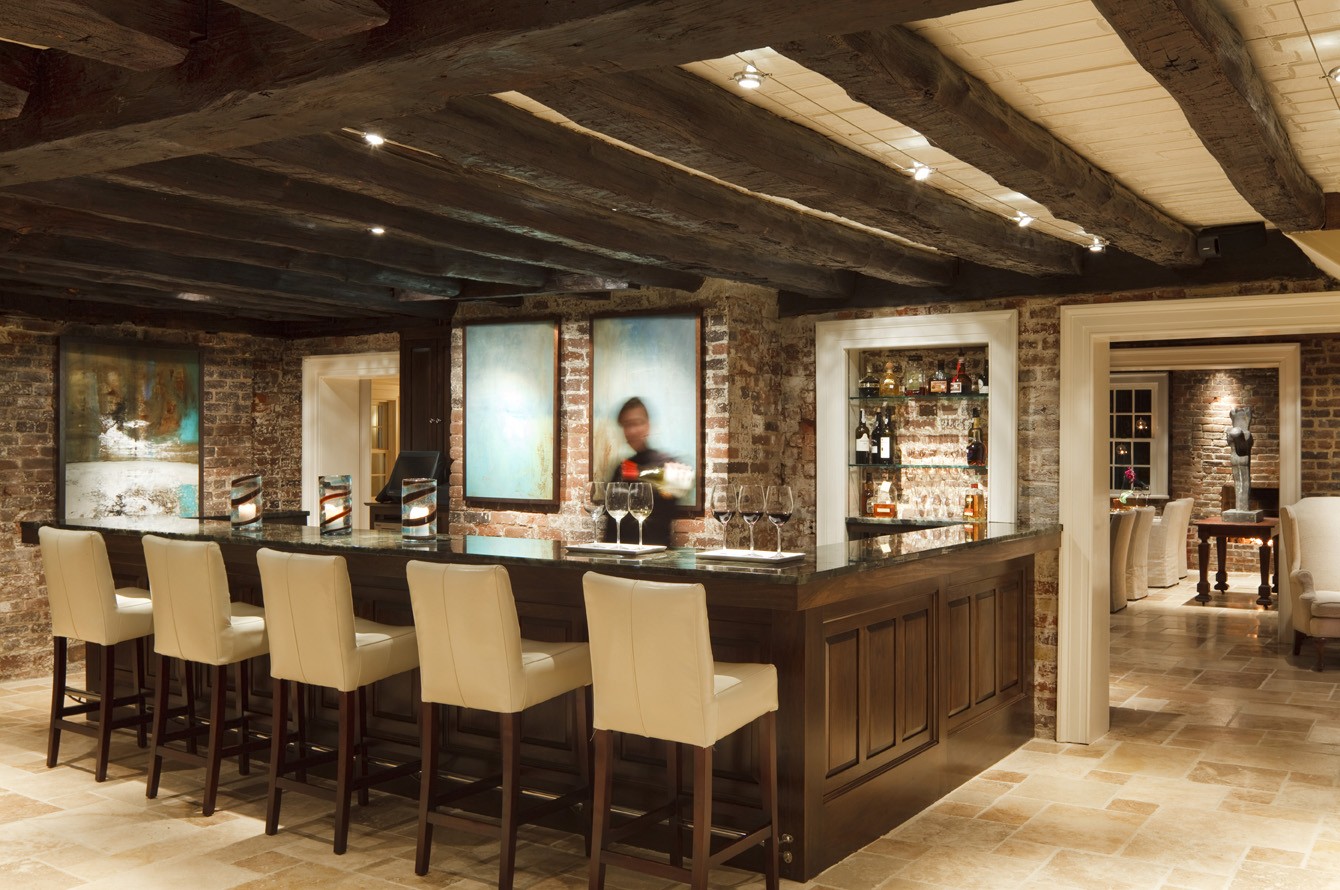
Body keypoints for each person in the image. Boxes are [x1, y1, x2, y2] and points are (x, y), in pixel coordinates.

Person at [604, 397, 692, 546]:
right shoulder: (621, 468)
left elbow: (671, 500)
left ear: (648, 426)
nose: (632, 431)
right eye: (627, 425)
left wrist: (672, 486)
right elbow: (611, 525)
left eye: (637, 423)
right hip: (619, 554)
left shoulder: (666, 463)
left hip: (657, 556)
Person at [1225, 405, 1253, 513]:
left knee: (1242, 481)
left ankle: (1242, 507)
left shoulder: (1246, 434)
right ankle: (1241, 507)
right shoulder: (1234, 434)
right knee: (1239, 481)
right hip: (1236, 458)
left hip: (1241, 458)